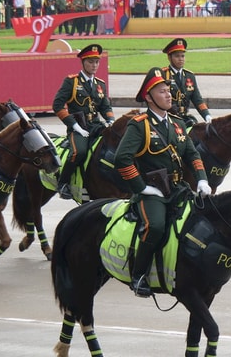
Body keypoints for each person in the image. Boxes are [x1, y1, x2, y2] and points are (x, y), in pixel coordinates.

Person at [114, 68, 211, 297]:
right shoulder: (139, 125)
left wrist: (202, 180)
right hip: (153, 192)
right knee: (155, 226)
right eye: (162, 91)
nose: (168, 95)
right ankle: (138, 275)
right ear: (149, 97)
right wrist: (142, 188)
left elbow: (192, 154)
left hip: (178, 188)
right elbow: (121, 158)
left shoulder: (177, 123)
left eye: (168, 90)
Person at [51, 44, 115, 199]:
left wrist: (111, 120)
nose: (94, 65)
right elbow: (57, 105)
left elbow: (105, 106)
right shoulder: (72, 82)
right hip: (79, 127)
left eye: (96, 62)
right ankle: (63, 183)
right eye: (90, 62)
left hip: (96, 126)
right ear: (83, 62)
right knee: (78, 152)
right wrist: (74, 125)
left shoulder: (100, 84)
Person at [160, 38, 212, 128]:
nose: (180, 59)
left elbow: (198, 100)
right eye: (177, 56)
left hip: (184, 119)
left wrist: (207, 115)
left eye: (182, 56)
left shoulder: (189, 76)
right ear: (169, 57)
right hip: (167, 119)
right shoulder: (163, 75)